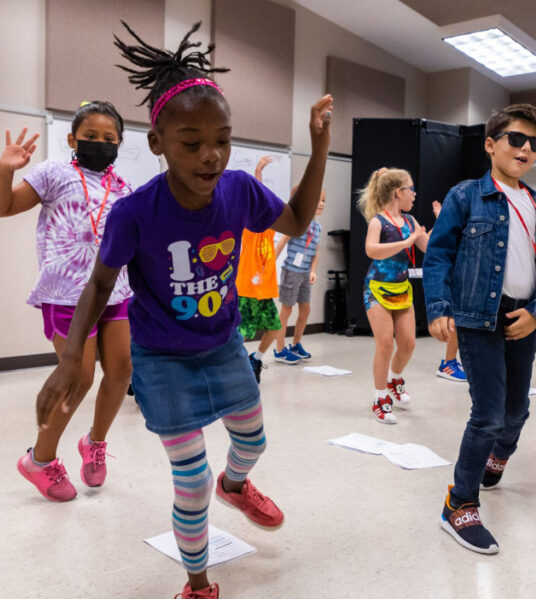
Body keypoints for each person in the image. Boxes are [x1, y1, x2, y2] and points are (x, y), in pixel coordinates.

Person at [36, 21, 332, 599]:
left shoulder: (240, 191)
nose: (210, 155)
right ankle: (198, 584)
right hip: (160, 357)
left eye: (221, 140)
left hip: (221, 344)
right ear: (158, 143)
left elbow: (295, 222)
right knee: (190, 479)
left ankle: (238, 484)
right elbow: (99, 285)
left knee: (253, 441)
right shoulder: (134, 212)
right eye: (191, 142)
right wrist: (73, 356)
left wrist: (319, 145)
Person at [425, 103, 536, 553]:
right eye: (515, 140)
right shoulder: (466, 196)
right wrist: (439, 306)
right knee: (487, 414)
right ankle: (459, 503)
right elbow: (440, 254)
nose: (525, 149)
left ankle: (498, 456)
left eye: (535, 144)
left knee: (517, 411)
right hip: (477, 318)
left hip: (522, 319)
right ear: (490, 144)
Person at [0, 101, 134, 501]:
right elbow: (0, 208)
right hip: (66, 294)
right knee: (79, 377)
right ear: (72, 139)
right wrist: (6, 169)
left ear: (119, 144)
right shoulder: (54, 173)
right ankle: (40, 459)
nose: (99, 144)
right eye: (90, 137)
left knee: (121, 371)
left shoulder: (123, 189)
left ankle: (95, 443)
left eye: (109, 139)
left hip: (114, 290)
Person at [358, 167, 428, 423]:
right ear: (398, 193)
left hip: (401, 289)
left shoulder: (410, 222)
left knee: (408, 343)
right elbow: (371, 250)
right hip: (376, 289)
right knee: (386, 343)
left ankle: (394, 379)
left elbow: (428, 247)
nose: (414, 194)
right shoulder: (378, 221)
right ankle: (380, 398)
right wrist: (406, 242)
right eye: (410, 189)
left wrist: (440, 226)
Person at [238, 156, 294, 381]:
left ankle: (257, 358)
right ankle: (237, 368)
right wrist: (258, 171)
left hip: (265, 290)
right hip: (246, 290)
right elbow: (257, 198)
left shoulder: (271, 231)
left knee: (274, 327)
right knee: (240, 334)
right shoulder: (249, 229)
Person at [273, 184, 325, 364]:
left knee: (306, 309)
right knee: (286, 310)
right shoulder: (297, 222)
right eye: (318, 200)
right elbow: (282, 241)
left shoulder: (317, 228)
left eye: (323, 200)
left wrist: (313, 271)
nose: (321, 204)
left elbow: (316, 251)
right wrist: (270, 264)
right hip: (291, 271)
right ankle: (279, 349)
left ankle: (296, 344)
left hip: (304, 273)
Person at [431, 200, 466, 383]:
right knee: (456, 321)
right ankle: (448, 363)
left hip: (460, 276)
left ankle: (452, 361)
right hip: (454, 277)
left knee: (459, 323)